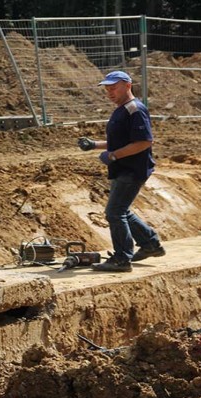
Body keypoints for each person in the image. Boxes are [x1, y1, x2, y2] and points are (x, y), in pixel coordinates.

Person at [77, 70, 165, 273]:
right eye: (107, 89)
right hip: (124, 168)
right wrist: (94, 145)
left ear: (127, 85)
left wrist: (114, 156)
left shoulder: (135, 109)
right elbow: (123, 141)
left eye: (113, 88)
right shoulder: (122, 109)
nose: (109, 92)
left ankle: (121, 259)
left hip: (132, 169)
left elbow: (144, 141)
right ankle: (151, 244)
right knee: (121, 210)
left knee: (114, 212)